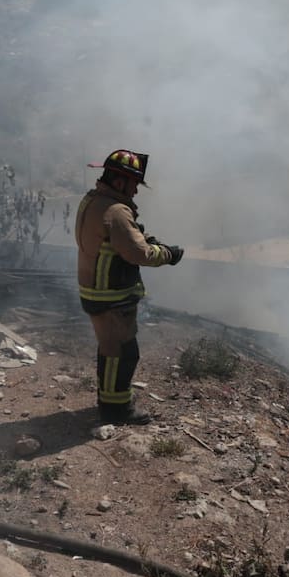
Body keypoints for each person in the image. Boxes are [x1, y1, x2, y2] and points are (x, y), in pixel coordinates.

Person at [75, 149, 184, 425]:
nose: (136, 191)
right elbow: (139, 254)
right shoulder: (116, 210)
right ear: (120, 181)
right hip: (111, 296)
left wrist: (143, 236)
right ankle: (115, 410)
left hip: (95, 291)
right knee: (121, 354)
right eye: (134, 183)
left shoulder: (93, 200)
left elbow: (120, 237)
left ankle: (111, 402)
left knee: (112, 349)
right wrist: (168, 254)